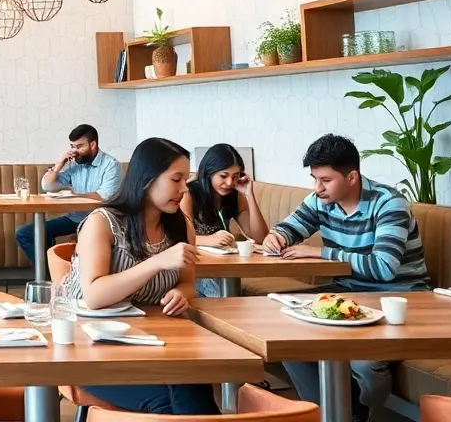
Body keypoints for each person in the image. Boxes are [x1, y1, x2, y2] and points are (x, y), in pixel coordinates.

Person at [263, 134, 429, 422]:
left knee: (365, 363)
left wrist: (321, 253)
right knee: (284, 330)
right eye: (315, 178)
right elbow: (290, 227)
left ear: (352, 177)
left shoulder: (389, 204)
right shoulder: (320, 201)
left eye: (325, 180)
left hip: (400, 298)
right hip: (350, 294)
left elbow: (384, 267)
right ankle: (336, 413)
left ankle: (359, 414)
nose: (318, 188)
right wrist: (276, 237)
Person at [63, 137, 216, 415]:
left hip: (151, 340)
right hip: (87, 346)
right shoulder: (103, 222)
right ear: (147, 180)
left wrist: (181, 294)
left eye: (186, 180)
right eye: (176, 179)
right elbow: (94, 296)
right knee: (168, 403)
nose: (184, 189)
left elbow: (187, 282)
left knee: (193, 380)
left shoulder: (181, 226)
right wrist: (157, 262)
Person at [16, 123, 121, 264]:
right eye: (72, 147)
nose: (74, 151)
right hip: (74, 218)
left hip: (101, 219)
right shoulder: (74, 164)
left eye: (79, 146)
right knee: (26, 233)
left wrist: (73, 196)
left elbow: (105, 197)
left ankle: (58, 276)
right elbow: (48, 186)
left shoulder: (111, 165)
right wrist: (60, 163)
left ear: (93, 144)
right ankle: (53, 276)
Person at [181, 143, 269, 296]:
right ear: (209, 172)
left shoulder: (234, 195)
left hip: (222, 267)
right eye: (223, 176)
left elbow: (260, 238)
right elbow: (179, 237)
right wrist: (209, 240)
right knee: (220, 295)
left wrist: (249, 194)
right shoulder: (189, 194)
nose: (229, 182)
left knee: (227, 293)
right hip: (194, 267)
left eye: (235, 176)